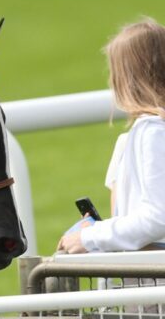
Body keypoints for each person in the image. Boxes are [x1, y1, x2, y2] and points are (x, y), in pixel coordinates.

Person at [58, 18, 165, 254]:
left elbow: (158, 217)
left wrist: (89, 237)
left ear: (126, 78)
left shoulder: (152, 131)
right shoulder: (141, 133)